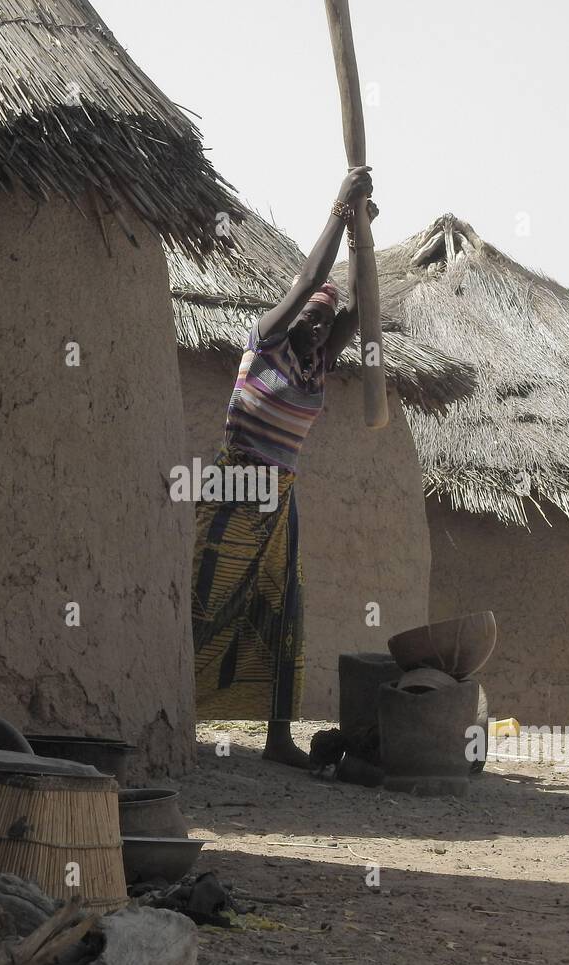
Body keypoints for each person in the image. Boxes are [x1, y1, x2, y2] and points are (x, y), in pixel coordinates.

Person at [192, 165, 375, 767]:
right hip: (233, 481)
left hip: (281, 493)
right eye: (310, 316)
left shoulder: (318, 363)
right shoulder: (265, 340)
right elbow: (308, 282)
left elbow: (363, 310)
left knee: (281, 606)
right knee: (206, 596)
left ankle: (276, 739)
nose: (316, 323)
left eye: (324, 321)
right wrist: (339, 211)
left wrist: (364, 241)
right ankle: (173, 711)